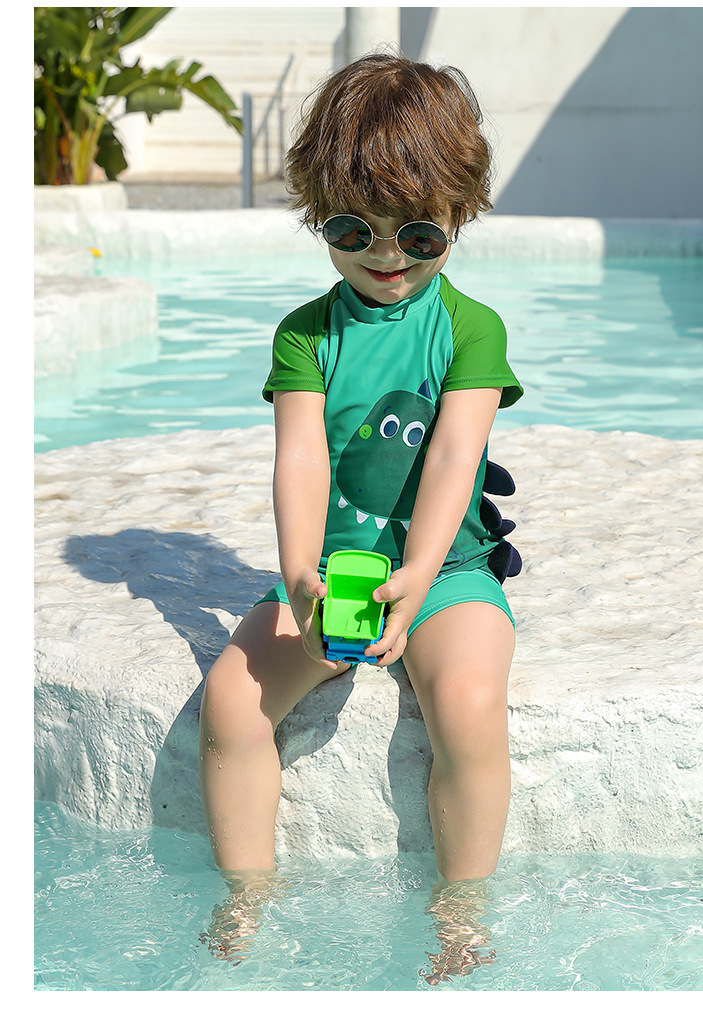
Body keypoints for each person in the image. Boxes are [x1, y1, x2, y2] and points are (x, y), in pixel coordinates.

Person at [199, 53, 523, 917]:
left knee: (467, 700)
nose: (385, 255)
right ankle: (246, 898)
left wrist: (418, 576)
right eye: (353, 231)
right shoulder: (305, 335)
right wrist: (300, 576)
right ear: (319, 215)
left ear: (460, 214)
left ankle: (460, 912)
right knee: (231, 697)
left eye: (417, 236)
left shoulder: (471, 330)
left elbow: (454, 457)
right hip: (328, 572)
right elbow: (301, 457)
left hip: (445, 568)